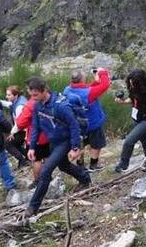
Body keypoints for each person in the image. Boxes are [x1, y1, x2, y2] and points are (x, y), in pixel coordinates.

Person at [26, 78, 91, 218]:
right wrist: (32, 147)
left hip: (65, 141)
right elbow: (36, 127)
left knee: (45, 172)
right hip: (54, 141)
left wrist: (75, 147)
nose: (33, 98)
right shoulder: (38, 105)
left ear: (44, 90)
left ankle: (32, 207)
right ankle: (85, 179)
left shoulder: (60, 106)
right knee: (63, 166)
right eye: (31, 95)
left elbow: (74, 125)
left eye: (36, 94)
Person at [113, 69, 146, 173]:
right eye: (130, 83)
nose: (131, 86)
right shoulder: (134, 88)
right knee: (145, 140)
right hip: (137, 118)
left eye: (133, 84)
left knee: (129, 141)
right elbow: (133, 100)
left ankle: (123, 164)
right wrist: (122, 102)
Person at [63, 68, 110, 171]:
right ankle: (93, 165)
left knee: (80, 145)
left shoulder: (67, 90)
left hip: (78, 124)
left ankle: (81, 166)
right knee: (96, 145)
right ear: (82, 79)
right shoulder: (88, 93)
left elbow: (85, 88)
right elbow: (105, 85)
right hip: (93, 123)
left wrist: (95, 82)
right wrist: (103, 72)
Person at [15, 95, 50, 185]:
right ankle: (49, 176)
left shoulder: (31, 104)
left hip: (35, 137)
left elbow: (20, 123)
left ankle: (38, 181)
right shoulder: (49, 99)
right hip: (49, 134)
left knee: (36, 159)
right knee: (47, 156)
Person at [1, 86, 30, 169]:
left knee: (8, 144)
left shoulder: (19, 107)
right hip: (24, 129)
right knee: (16, 144)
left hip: (24, 129)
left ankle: (23, 161)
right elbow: (9, 104)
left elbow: (19, 122)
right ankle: (28, 158)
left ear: (15, 95)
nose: (7, 97)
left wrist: (12, 132)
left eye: (9, 95)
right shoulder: (20, 100)